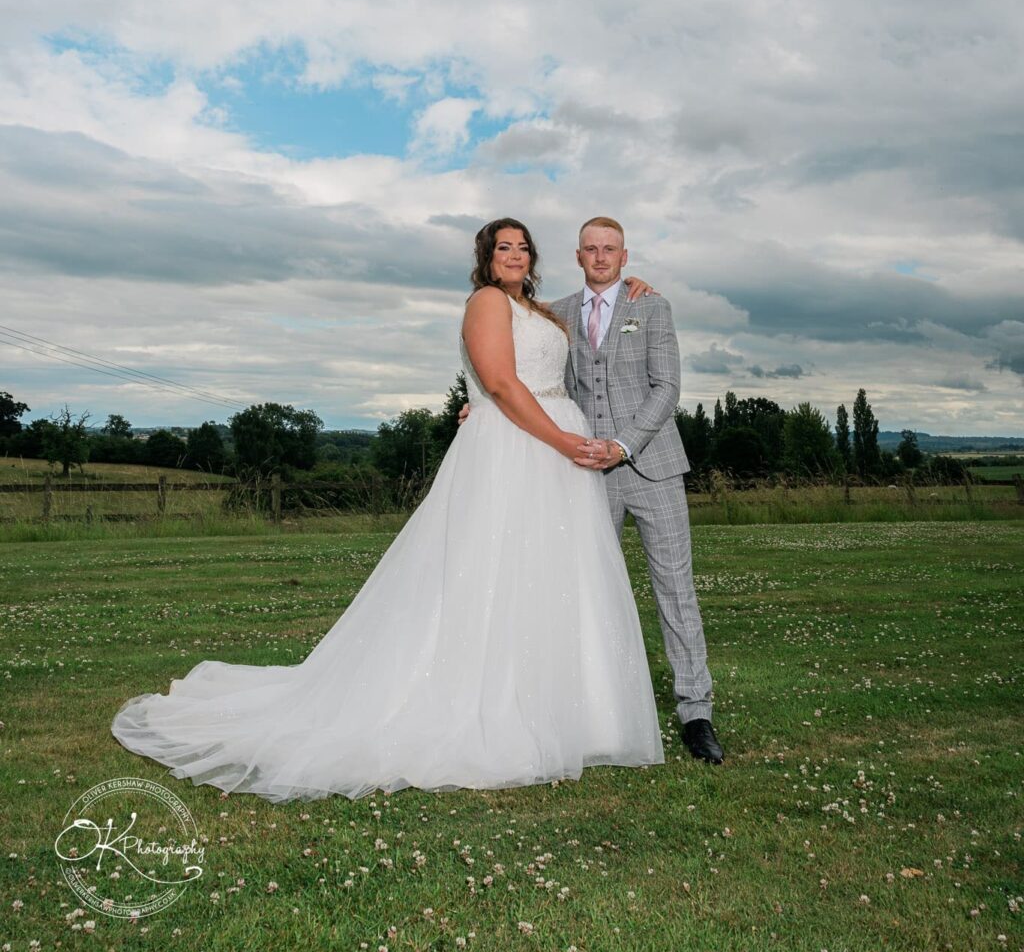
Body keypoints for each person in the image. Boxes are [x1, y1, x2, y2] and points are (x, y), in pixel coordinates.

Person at [109, 219, 664, 801]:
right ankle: (491, 709)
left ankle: (573, 714)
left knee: (550, 578)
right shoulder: (485, 302)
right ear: (486, 256)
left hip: (552, 450)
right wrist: (559, 439)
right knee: (489, 572)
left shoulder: (546, 311)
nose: (516, 255)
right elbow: (499, 383)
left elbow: (585, 320)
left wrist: (633, 288)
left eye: (524, 247)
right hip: (521, 448)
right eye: (504, 247)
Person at [551, 217, 722, 765]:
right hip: (586, 474)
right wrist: (477, 405)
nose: (601, 257)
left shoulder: (653, 307)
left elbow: (667, 387)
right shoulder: (555, 314)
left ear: (625, 257)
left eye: (611, 249)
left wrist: (623, 445)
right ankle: (594, 711)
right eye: (591, 249)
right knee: (589, 593)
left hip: (655, 469)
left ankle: (696, 713)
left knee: (676, 591)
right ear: (578, 256)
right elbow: (532, 379)